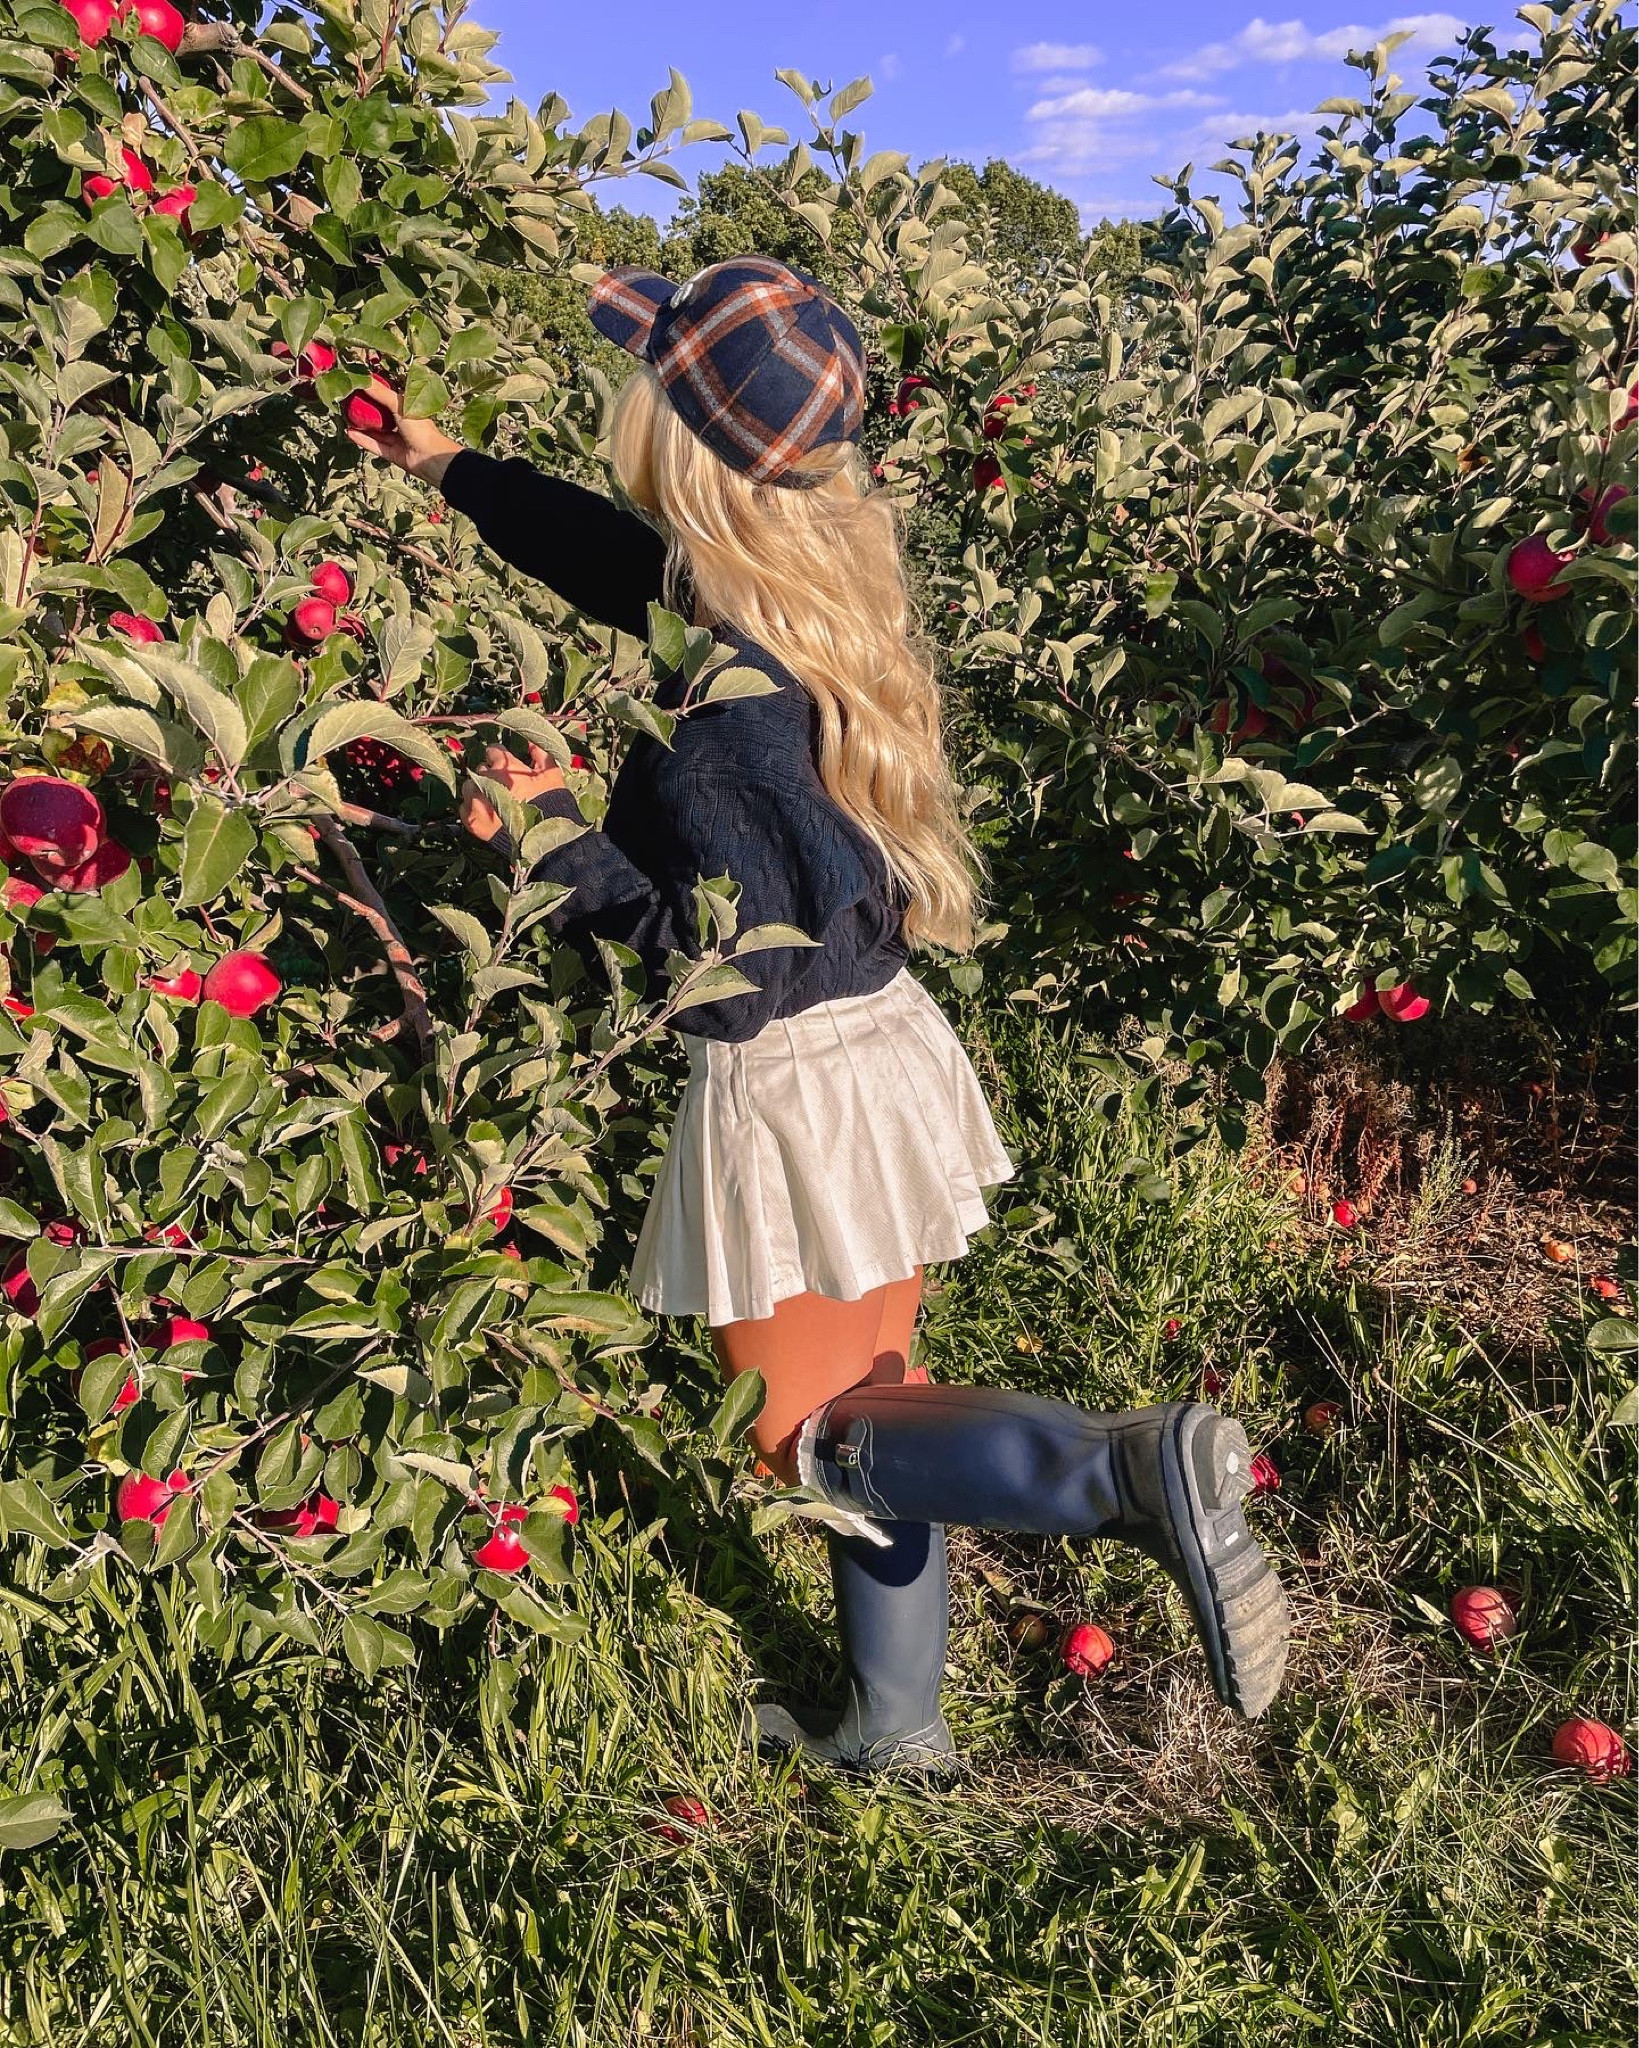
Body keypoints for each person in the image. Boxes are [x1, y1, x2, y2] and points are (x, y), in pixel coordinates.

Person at [349, 256, 1289, 1780]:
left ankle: (1126, 1469)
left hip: (790, 1078)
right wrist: (452, 469)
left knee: (815, 1442)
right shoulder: (793, 591)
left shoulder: (722, 728)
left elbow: (725, 966)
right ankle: (894, 1729)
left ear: (673, 448)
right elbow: (619, 568)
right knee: (874, 1407)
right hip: (883, 1050)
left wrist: (551, 842)